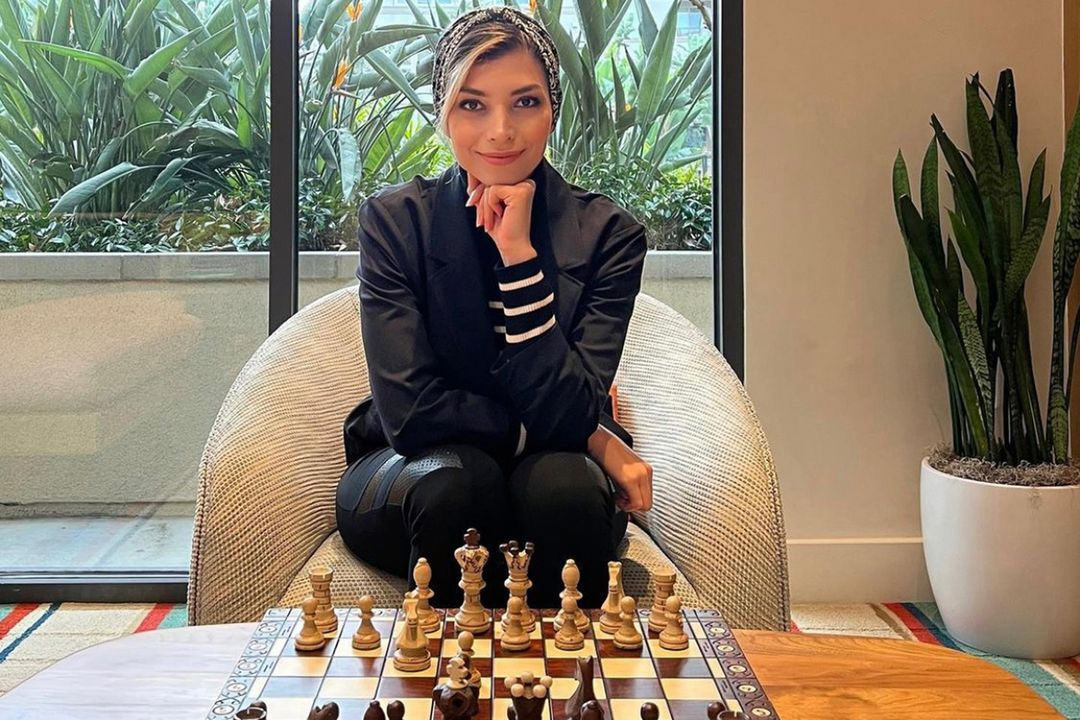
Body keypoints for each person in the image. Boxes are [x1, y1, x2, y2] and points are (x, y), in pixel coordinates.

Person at [337, 5, 652, 610]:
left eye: (525, 102)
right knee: (459, 485)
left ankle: (570, 667)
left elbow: (573, 408)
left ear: (553, 109)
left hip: (557, 474)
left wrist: (518, 258)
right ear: (444, 113)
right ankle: (442, 667)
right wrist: (595, 439)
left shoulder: (608, 236)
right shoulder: (397, 223)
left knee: (561, 489)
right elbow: (410, 414)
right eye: (473, 104)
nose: (501, 131)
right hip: (416, 471)